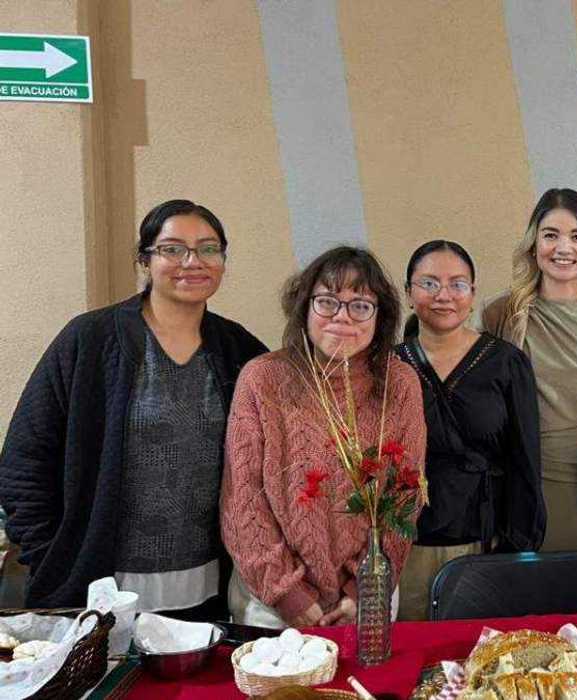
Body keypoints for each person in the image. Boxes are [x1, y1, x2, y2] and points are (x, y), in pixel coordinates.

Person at [0, 200, 267, 618]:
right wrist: (49, 552)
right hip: (96, 587)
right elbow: (24, 458)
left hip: (206, 589)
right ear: (145, 260)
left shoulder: (239, 350)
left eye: (208, 248)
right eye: (173, 248)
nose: (192, 261)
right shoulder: (90, 340)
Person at [221, 246, 425, 627]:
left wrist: (362, 590)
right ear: (305, 306)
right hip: (271, 603)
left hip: (369, 596)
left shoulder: (400, 382)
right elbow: (242, 499)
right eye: (327, 302)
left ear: (380, 317)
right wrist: (288, 595)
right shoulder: (262, 378)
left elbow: (405, 497)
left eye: (360, 305)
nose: (342, 317)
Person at [483, 188, 577, 554]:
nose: (563, 248)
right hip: (532, 480)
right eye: (550, 235)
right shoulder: (501, 313)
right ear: (534, 244)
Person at [394, 240, 544, 620]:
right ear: (408, 293)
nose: (443, 295)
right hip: (404, 543)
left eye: (457, 284)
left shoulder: (506, 362)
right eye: (429, 284)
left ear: (472, 294)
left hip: (484, 540)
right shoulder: (391, 365)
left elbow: (525, 460)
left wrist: (516, 547)